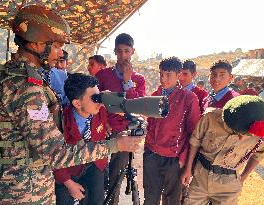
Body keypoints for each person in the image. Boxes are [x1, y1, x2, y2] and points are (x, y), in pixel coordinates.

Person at [0, 5, 143, 205]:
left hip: (19, 185)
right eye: (56, 46)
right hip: (25, 192)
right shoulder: (25, 87)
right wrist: (114, 145)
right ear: (37, 44)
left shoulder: (10, 75)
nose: (60, 52)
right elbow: (55, 152)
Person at [181, 95, 264, 205]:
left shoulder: (259, 132)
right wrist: (188, 168)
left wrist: (243, 177)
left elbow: (258, 154)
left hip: (229, 184)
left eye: (244, 134)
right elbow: (195, 141)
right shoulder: (211, 117)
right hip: (200, 176)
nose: (241, 138)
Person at [96, 33, 145, 205]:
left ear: (133, 52)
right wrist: (105, 123)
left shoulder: (138, 79)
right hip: (103, 130)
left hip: (125, 133)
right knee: (98, 170)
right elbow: (96, 104)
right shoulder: (103, 76)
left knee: (116, 174)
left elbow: (137, 106)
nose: (123, 55)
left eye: (126, 51)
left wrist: (127, 80)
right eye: (119, 51)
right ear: (115, 52)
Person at [143, 57, 200, 205]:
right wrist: (147, 151)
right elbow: (149, 124)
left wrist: (183, 161)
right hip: (152, 156)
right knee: (150, 197)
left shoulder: (189, 98)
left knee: (171, 200)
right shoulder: (155, 96)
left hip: (174, 159)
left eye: (168, 74)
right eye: (161, 74)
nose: (163, 78)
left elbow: (193, 133)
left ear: (179, 75)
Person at [54, 73, 108, 205]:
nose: (99, 102)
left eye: (99, 96)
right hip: (68, 169)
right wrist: (68, 183)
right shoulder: (60, 121)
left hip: (94, 165)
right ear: (77, 103)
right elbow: (54, 155)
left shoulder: (99, 111)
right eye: (95, 98)